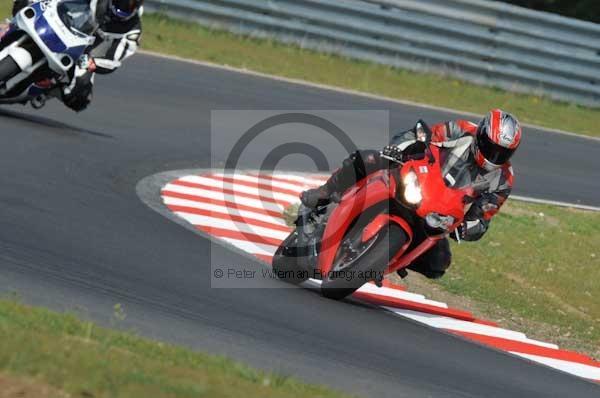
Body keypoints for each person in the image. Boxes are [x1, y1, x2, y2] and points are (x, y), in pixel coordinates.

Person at [301, 109, 522, 279]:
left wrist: (465, 227)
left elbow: (484, 217)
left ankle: (386, 257)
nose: (495, 155)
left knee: (439, 264)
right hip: (414, 178)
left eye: (503, 152)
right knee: (369, 159)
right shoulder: (461, 129)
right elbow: (421, 135)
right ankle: (325, 192)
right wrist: (399, 148)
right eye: (491, 147)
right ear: (481, 134)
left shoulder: (503, 179)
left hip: (435, 213)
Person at [11, 0, 143, 111]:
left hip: (83, 55)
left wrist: (93, 63)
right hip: (64, 25)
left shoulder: (133, 31)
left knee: (80, 97)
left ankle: (49, 90)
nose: (124, 5)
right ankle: (10, 28)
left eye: (130, 4)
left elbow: (114, 60)